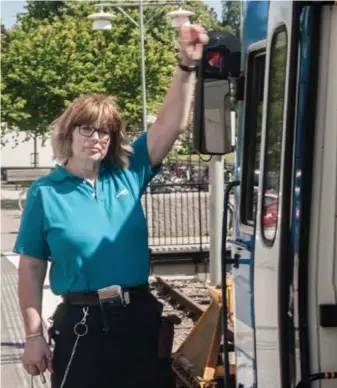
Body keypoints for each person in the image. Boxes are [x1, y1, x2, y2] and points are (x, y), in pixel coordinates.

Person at [15, 24, 209, 388]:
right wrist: (33, 335)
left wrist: (186, 65)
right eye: (86, 129)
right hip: (82, 324)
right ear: (68, 134)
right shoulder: (46, 192)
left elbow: (171, 125)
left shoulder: (126, 174)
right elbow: (31, 269)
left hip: (138, 319)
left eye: (104, 131)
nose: (96, 138)